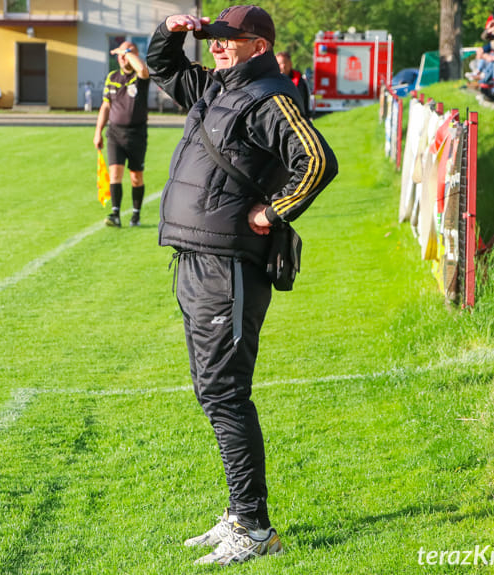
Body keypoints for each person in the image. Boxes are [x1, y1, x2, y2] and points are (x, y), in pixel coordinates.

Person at [147, 5, 338, 566]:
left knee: (226, 393)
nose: (217, 48)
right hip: (195, 257)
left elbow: (318, 161)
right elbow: (162, 65)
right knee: (213, 390)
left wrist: (274, 211)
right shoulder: (216, 89)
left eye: (229, 40)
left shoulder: (269, 96)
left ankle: (254, 528)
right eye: (213, 40)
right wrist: (172, 30)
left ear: (259, 45)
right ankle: (238, 514)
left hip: (228, 265)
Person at [93, 41, 149, 227]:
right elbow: (106, 105)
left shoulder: (140, 77)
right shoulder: (113, 77)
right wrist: (98, 132)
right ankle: (115, 214)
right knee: (115, 173)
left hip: (137, 134)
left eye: (129, 53)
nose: (124, 57)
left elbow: (142, 68)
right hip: (115, 133)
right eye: (121, 55)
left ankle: (136, 214)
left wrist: (126, 51)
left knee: (136, 177)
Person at [275, 51, 311, 117]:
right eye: (279, 64)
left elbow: (303, 102)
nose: (283, 66)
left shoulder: (299, 80)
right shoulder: (271, 81)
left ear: (290, 64)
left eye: (284, 63)